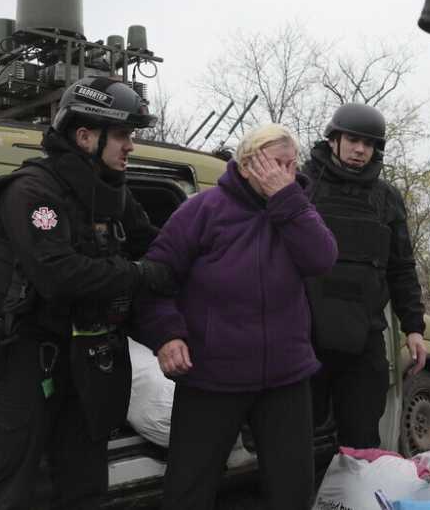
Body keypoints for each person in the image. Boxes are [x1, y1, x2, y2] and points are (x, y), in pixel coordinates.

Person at [0, 77, 176, 510]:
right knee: (11, 490)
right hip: (22, 357)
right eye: (122, 135)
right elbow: (58, 276)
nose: (131, 146)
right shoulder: (32, 191)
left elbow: (157, 244)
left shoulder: (113, 193)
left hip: (82, 360)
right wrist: (140, 274)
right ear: (85, 136)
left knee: (86, 485)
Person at [133, 124, 338, 510]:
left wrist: (288, 201)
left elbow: (322, 259)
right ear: (246, 166)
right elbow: (154, 280)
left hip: (285, 374)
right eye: (276, 164)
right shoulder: (201, 211)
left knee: (292, 489)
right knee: (189, 487)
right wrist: (167, 335)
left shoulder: (296, 210)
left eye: (292, 166)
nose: (287, 174)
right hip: (213, 374)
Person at [303, 103, 427, 450]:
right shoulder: (303, 186)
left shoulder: (386, 198)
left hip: (364, 339)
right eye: (353, 140)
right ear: (334, 140)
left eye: (369, 144)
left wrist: (415, 328)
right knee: (298, 442)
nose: (360, 150)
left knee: (363, 443)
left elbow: (402, 266)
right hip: (306, 337)